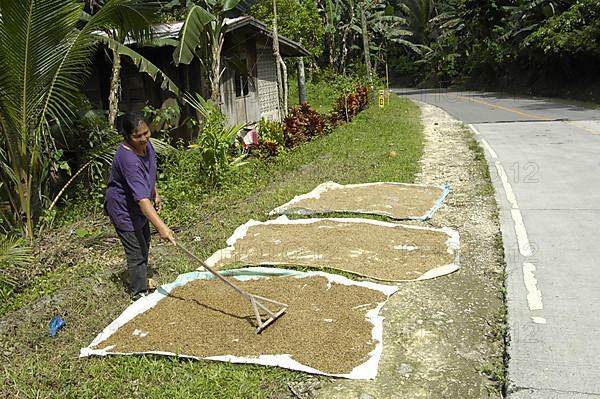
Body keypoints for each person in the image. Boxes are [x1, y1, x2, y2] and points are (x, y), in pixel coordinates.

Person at [104, 111, 175, 299]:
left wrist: (154, 191)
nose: (144, 138)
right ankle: (139, 293)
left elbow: (149, 170)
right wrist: (162, 228)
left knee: (144, 243)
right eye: (137, 136)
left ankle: (140, 279)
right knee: (136, 252)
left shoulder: (147, 146)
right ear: (127, 137)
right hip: (124, 209)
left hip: (139, 206)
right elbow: (142, 202)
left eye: (146, 133)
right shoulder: (128, 160)